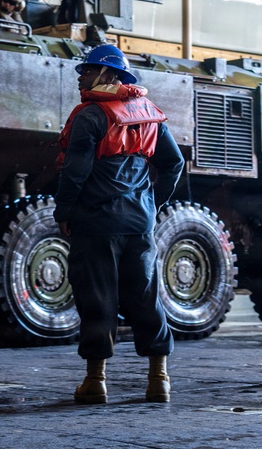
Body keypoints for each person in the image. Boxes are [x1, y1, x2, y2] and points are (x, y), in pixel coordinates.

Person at [54, 44, 185, 405]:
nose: (81, 76)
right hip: (139, 224)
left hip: (96, 224)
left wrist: (63, 212)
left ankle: (95, 382)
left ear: (108, 75)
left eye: (88, 69)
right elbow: (174, 164)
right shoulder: (149, 115)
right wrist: (152, 203)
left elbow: (75, 171)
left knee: (97, 300)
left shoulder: (91, 115)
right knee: (145, 297)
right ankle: (159, 380)